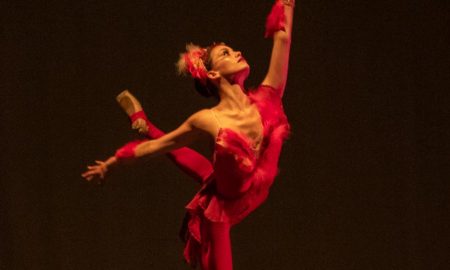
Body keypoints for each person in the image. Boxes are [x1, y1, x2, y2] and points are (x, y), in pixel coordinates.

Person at [82, 0, 295, 269]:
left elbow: (283, 38)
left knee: (210, 174)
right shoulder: (207, 119)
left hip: (248, 186)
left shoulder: (268, 96)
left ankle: (146, 124)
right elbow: (157, 148)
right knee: (208, 181)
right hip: (225, 203)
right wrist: (112, 162)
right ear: (213, 73)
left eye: (233, 49)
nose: (237, 52)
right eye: (226, 53)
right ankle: (147, 126)